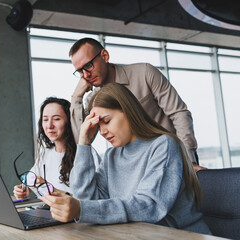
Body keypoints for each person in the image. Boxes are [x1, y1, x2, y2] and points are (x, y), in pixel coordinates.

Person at [41, 83, 211, 235]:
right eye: (98, 126)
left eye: (106, 121)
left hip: (179, 235)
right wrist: (84, 143)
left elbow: (149, 206)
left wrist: (81, 209)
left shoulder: (163, 145)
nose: (102, 131)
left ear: (128, 112)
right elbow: (87, 200)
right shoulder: (111, 156)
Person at [69, 38, 205, 171]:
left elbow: (178, 113)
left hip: (171, 158)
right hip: (136, 170)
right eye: (80, 71)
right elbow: (82, 139)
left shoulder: (144, 73)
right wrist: (76, 97)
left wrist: (188, 159)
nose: (86, 75)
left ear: (104, 56)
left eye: (88, 66)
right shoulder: (93, 99)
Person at [13, 97, 79, 199]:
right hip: (45, 211)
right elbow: (30, 181)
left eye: (56, 119)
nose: (49, 125)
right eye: (45, 119)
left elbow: (89, 201)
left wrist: (47, 187)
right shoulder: (46, 153)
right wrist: (23, 190)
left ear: (69, 122)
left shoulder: (85, 154)